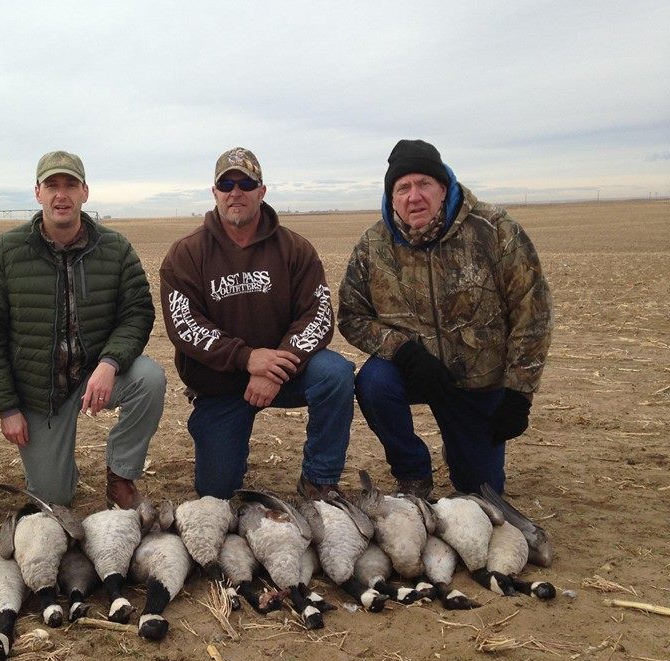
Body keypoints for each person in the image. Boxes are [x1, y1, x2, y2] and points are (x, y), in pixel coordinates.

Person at [337, 139, 552, 498]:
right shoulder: (374, 245)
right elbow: (351, 315)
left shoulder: (496, 231)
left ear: (444, 187)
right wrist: (405, 352)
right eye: (402, 187)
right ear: (392, 197)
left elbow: (533, 314)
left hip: (476, 382)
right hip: (415, 372)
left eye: (424, 184)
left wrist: (519, 394)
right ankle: (412, 471)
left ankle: (463, 445)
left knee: (481, 493)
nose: (413, 196)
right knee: (374, 381)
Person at [0, 151, 165, 509]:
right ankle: (58, 472)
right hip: (38, 390)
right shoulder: (6, 251)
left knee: (149, 378)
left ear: (85, 192)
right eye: (52, 185)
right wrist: (7, 407)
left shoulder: (115, 248)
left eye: (70, 185)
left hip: (95, 374)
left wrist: (109, 364)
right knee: (53, 499)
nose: (62, 195)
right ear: (38, 193)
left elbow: (137, 313)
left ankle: (120, 475)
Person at [159, 147, 355, 501]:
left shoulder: (295, 249)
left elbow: (319, 314)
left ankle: (319, 480)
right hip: (220, 384)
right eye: (227, 183)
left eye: (246, 183)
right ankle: (223, 452)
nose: (236, 192)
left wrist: (272, 367)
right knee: (215, 492)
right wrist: (246, 358)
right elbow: (185, 325)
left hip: (284, 373)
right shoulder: (186, 253)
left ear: (261, 191)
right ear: (215, 192)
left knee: (334, 372)